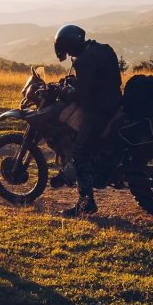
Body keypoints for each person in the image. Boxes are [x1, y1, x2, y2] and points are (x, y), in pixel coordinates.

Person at [53, 24, 122, 217]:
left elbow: (82, 95)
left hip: (99, 110)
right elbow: (98, 80)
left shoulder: (83, 62)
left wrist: (64, 92)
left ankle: (86, 203)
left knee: (79, 151)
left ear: (71, 46)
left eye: (66, 49)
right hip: (115, 102)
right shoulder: (102, 49)